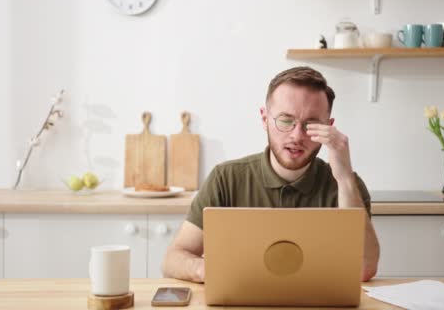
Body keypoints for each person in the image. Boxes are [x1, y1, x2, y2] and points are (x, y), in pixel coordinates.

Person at [161, 66, 380, 283]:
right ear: (265, 119)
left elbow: (364, 269)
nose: (297, 135)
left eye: (311, 124)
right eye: (285, 120)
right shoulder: (225, 178)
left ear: (328, 127)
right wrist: (204, 269)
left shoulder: (348, 185)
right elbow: (173, 259)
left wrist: (344, 179)